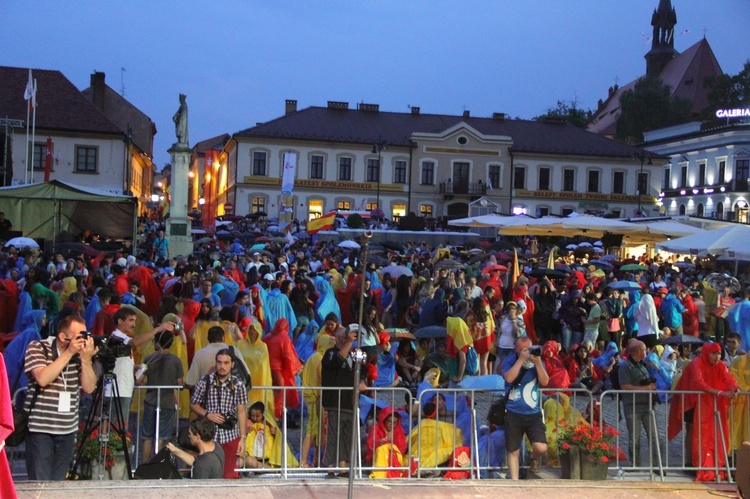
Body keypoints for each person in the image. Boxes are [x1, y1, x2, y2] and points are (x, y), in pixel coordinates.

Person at [24, 315, 98, 480]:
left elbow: (89, 387)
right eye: (80, 336)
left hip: (67, 430)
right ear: (63, 336)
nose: (84, 340)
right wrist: (69, 352)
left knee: (58, 485)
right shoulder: (38, 347)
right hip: (41, 429)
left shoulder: (79, 356)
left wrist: (86, 361)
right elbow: (43, 379)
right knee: (40, 485)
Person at [668, 342, 739, 481]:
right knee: (692, 429)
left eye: (719, 353)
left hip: (706, 401)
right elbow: (699, 382)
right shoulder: (696, 363)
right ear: (707, 353)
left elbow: (729, 379)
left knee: (710, 430)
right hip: (690, 399)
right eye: (714, 353)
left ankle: (708, 460)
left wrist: (733, 390)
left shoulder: (720, 365)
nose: (717, 356)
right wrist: (719, 393)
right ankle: (691, 462)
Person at [108, 307, 176, 429]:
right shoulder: (117, 336)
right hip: (118, 389)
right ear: (120, 321)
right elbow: (134, 342)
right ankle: (116, 448)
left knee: (121, 424)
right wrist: (158, 329)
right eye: (131, 320)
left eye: (134, 321)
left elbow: (117, 361)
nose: (134, 325)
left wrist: (133, 366)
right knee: (118, 426)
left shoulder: (121, 337)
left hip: (123, 388)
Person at [190, 348, 248, 479]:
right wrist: (207, 414)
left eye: (226, 363)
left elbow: (242, 412)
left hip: (230, 435)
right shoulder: (205, 382)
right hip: (209, 437)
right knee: (208, 476)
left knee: (229, 475)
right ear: (215, 363)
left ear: (232, 364)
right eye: (219, 362)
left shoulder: (238, 385)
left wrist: (242, 438)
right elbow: (193, 404)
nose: (222, 366)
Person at [501, 336, 549, 480]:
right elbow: (508, 378)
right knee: (513, 450)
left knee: (541, 447)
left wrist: (538, 364)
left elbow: (545, 382)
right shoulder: (510, 360)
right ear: (517, 350)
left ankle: (532, 456)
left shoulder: (536, 361)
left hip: (533, 413)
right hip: (513, 412)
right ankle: (515, 483)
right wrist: (521, 360)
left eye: (529, 348)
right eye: (523, 350)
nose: (527, 352)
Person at [321, 326, 366, 478]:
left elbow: (362, 370)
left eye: (346, 337)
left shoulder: (355, 354)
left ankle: (343, 467)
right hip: (334, 401)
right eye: (342, 337)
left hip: (350, 402)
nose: (345, 339)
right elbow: (336, 361)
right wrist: (349, 342)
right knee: (333, 435)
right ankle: (328, 466)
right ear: (337, 338)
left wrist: (362, 382)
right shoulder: (330, 353)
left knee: (347, 436)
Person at [136, 330, 184, 462]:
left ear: (157, 343)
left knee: (147, 436)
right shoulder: (176, 361)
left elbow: (138, 380)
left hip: (150, 400)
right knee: (162, 436)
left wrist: (150, 382)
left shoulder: (148, 359)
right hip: (167, 402)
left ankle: (144, 465)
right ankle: (157, 464)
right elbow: (179, 383)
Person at [618, 340, 660, 470]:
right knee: (634, 438)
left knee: (653, 437)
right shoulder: (625, 366)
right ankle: (636, 464)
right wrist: (646, 388)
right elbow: (625, 386)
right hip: (632, 407)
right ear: (638, 351)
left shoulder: (642, 365)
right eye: (644, 349)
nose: (646, 351)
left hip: (647, 406)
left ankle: (656, 465)